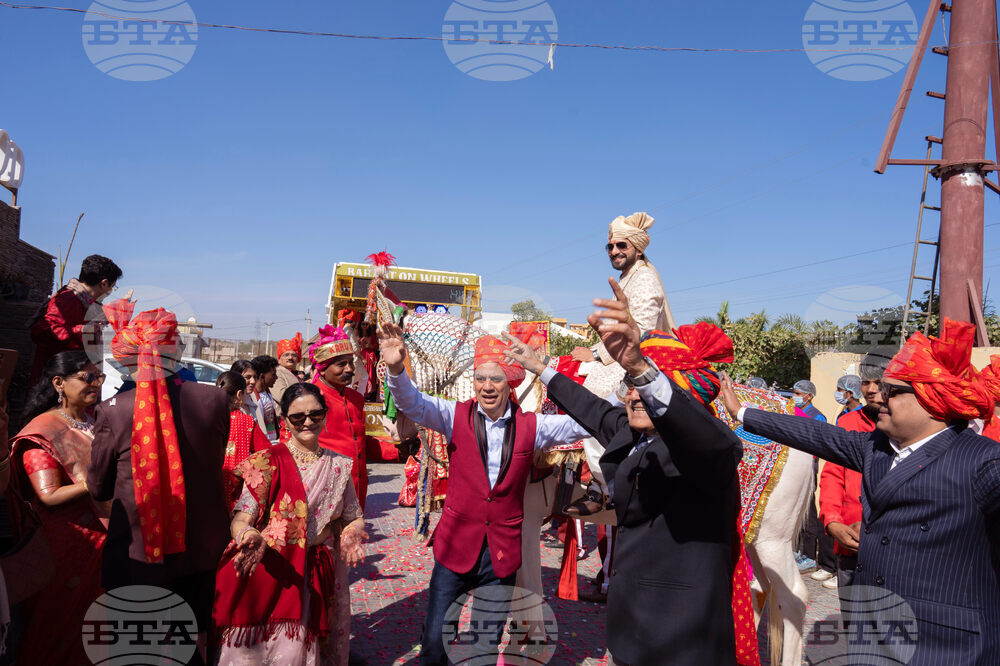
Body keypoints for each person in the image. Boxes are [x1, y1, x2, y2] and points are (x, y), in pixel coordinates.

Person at [719, 318, 1000, 666]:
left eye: (893, 391)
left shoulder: (983, 462)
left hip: (945, 647)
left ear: (932, 398)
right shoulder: (877, 448)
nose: (879, 397)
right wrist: (741, 411)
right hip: (874, 637)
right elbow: (815, 435)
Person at [506, 278, 753, 666]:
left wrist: (639, 366)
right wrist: (540, 368)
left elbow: (698, 435)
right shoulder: (629, 430)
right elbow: (592, 408)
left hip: (683, 635)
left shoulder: (711, 447)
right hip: (631, 628)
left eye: (644, 387)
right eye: (629, 386)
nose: (633, 394)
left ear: (680, 397)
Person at [378, 324, 590, 666]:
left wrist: (626, 386)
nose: (487, 387)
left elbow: (586, 422)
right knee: (434, 643)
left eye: (495, 380)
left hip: (502, 552)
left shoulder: (532, 426)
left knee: (485, 645)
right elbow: (411, 403)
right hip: (456, 546)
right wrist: (396, 368)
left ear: (510, 384)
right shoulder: (453, 415)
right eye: (480, 379)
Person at [87, 304, 230, 666]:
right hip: (200, 550)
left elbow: (99, 489)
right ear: (177, 351)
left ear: (127, 358)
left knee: (141, 651)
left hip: (137, 555)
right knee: (193, 640)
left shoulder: (112, 409)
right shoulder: (214, 400)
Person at [213, 382, 366, 666]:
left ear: (324, 415)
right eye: (298, 417)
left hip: (315, 572)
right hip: (272, 567)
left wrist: (352, 531)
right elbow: (241, 518)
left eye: (315, 415)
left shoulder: (340, 466)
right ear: (285, 420)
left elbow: (353, 515)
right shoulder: (267, 461)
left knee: (300, 651)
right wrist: (248, 535)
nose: (307, 422)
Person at [564, 212, 678, 519]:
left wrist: (598, 355)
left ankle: (605, 488)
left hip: (637, 358)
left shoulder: (645, 279)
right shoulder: (629, 277)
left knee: (594, 401)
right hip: (619, 352)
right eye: (610, 246)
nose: (614, 251)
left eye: (621, 245)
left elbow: (637, 331)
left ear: (638, 249)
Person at [9, 351, 110, 665]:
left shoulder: (92, 421)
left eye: (100, 377)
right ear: (59, 383)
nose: (96, 384)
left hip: (102, 539)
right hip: (68, 544)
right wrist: (100, 479)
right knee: (59, 626)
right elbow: (49, 495)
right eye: (88, 377)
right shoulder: (43, 430)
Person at [818, 372, 876, 591]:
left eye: (879, 383)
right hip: (849, 540)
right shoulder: (848, 421)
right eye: (866, 382)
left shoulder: (909, 425)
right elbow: (833, 474)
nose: (871, 390)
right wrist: (833, 521)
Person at [29, 254, 124, 386]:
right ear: (104, 283)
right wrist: (85, 330)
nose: (110, 291)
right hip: (57, 383)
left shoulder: (86, 303)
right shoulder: (68, 299)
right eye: (112, 286)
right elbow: (42, 331)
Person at [309, 325, 370, 511]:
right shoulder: (308, 399)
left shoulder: (356, 399)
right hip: (324, 489)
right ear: (322, 368)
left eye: (351, 362)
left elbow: (360, 441)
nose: (350, 369)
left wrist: (396, 451)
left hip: (357, 489)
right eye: (341, 364)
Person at [216, 371, 271, 511]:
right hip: (236, 491)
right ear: (239, 395)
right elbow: (266, 453)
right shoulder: (246, 422)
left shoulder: (206, 416)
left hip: (208, 489)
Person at [250, 355, 280, 444]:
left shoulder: (267, 392)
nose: (276, 378)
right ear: (262, 376)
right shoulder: (250, 398)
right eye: (273, 375)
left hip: (272, 441)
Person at [272, 332, 304, 414]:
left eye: (294, 355)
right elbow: (281, 396)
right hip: (284, 418)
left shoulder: (296, 374)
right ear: (280, 359)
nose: (290, 357)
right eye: (286, 355)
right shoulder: (277, 372)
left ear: (297, 359)